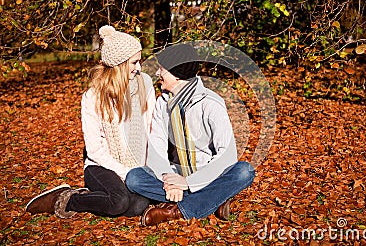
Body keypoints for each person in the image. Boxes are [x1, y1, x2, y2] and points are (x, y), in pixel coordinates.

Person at [25, 25, 156, 218]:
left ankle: (100, 197)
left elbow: (150, 129)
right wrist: (126, 172)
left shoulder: (145, 84)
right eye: (134, 62)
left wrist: (143, 170)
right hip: (101, 165)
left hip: (136, 165)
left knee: (138, 206)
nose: (139, 68)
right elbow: (95, 150)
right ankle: (67, 198)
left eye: (140, 61)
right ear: (119, 64)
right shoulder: (93, 97)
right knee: (119, 202)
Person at [125, 44, 255, 226]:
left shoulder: (211, 103)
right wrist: (170, 180)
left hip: (208, 176)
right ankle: (214, 200)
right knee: (134, 178)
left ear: (176, 74)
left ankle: (175, 211)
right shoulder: (163, 103)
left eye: (162, 70)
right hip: (174, 173)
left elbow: (227, 155)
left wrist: (188, 182)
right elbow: (157, 146)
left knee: (244, 171)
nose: (157, 74)